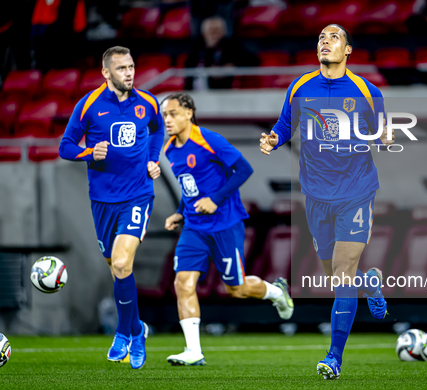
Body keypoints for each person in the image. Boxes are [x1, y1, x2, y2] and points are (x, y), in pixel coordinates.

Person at [259, 24, 392, 380]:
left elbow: (381, 133)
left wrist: (386, 135)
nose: (325, 41)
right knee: (335, 274)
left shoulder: (367, 90)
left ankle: (333, 357)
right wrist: (273, 138)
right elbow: (286, 124)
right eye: (320, 37)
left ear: (348, 50)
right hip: (316, 194)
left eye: (333, 38)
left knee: (343, 275)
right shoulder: (300, 86)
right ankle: (371, 282)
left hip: (356, 192)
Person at [162, 93, 294, 366]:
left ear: (188, 112)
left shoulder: (210, 140)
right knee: (182, 283)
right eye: (164, 115)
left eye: (172, 113)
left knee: (236, 289)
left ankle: (277, 293)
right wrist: (178, 212)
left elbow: (244, 170)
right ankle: (193, 351)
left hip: (224, 225)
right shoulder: (171, 149)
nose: (167, 120)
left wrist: (216, 199)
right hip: (195, 228)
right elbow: (189, 186)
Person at [58, 46, 164, 369]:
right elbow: (65, 146)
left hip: (137, 195)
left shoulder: (147, 103)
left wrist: (152, 159)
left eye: (131, 67)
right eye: (121, 68)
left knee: (121, 261)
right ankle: (137, 330)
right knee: (118, 268)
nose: (129, 73)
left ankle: (122, 332)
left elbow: (158, 130)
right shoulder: (89, 106)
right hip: (102, 201)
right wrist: (89, 152)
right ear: (106, 73)